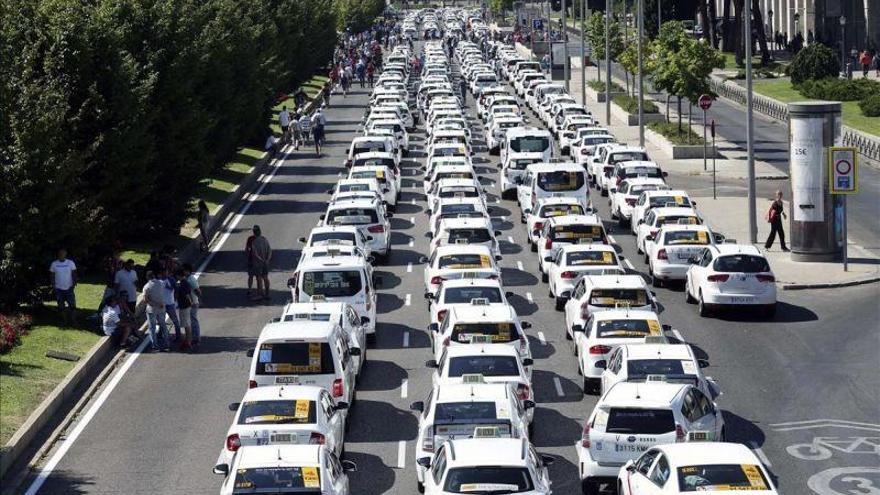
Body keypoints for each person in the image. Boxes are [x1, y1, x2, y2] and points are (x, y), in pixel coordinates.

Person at [143, 271, 169, 351]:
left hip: (152, 310)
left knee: (152, 328)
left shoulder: (146, 287)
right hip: (161, 308)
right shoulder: (161, 283)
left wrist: (154, 303)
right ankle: (167, 343)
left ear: (147, 277)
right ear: (154, 276)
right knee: (163, 325)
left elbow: (145, 300)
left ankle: (155, 345)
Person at [50, 249, 77, 325]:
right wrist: (53, 286)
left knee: (72, 306)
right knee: (61, 306)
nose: (61, 255)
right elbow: (52, 276)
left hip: (69, 288)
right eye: (60, 253)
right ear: (58, 254)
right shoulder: (54, 264)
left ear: (65, 254)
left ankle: (74, 321)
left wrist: (74, 284)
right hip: (58, 288)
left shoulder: (70, 263)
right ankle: (64, 321)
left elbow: (74, 274)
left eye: (63, 253)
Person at [249, 225, 272, 301]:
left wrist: (261, 260)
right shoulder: (265, 240)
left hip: (258, 264)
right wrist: (267, 259)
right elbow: (269, 250)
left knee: (259, 279)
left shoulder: (254, 242)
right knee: (265, 277)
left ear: (254, 233)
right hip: (266, 262)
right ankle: (267, 293)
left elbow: (255, 254)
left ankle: (260, 294)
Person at [174, 268, 194, 351]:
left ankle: (188, 341)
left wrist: (190, 302)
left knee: (186, 324)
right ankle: (188, 340)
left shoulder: (183, 284)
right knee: (187, 324)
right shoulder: (185, 282)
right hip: (186, 306)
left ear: (179, 275)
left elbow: (187, 295)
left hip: (184, 306)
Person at [183, 263, 201, 348]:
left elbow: (198, 291)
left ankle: (196, 338)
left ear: (187, 271)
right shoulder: (187, 278)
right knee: (191, 320)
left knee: (193, 321)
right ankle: (194, 337)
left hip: (193, 303)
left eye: (184, 270)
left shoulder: (191, 279)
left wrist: (196, 301)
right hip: (191, 303)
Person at [162, 268, 182, 341]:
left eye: (166, 272)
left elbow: (176, 289)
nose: (165, 274)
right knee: (161, 320)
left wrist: (175, 299)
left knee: (175, 320)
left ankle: (178, 335)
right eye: (164, 273)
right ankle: (160, 334)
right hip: (162, 304)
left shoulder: (171, 280)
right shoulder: (159, 280)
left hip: (170, 303)